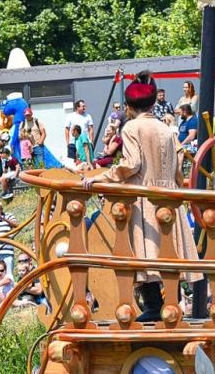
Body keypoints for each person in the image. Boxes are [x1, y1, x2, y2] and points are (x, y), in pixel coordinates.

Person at [81, 72, 201, 322]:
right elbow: (179, 165)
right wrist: (175, 186)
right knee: (170, 250)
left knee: (145, 253)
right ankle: (172, 304)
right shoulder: (166, 128)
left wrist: (103, 177)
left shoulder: (131, 127)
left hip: (144, 197)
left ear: (129, 105)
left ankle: (155, 306)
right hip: (168, 196)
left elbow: (132, 163)